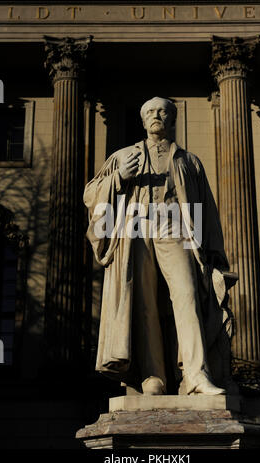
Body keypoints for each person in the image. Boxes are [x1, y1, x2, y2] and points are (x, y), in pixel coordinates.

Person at [84, 97, 232, 396]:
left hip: (175, 225)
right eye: (150, 111)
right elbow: (91, 195)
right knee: (144, 301)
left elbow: (205, 209)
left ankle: (196, 375)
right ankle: (154, 376)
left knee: (188, 295)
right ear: (142, 120)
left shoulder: (189, 161)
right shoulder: (122, 156)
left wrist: (211, 250)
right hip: (135, 225)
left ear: (172, 119)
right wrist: (118, 178)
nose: (157, 115)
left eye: (163, 111)